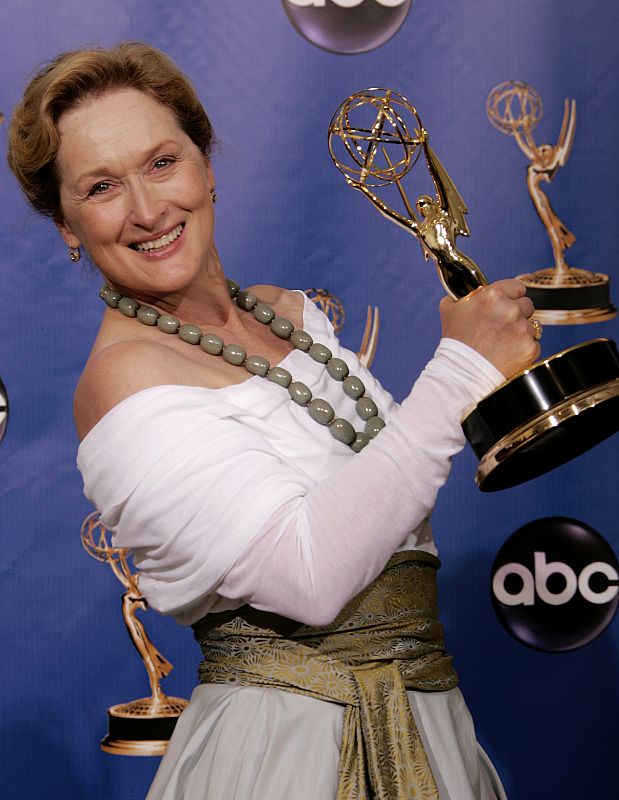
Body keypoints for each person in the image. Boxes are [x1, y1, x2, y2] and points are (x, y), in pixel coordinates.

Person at [8, 42, 539, 800]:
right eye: (100, 187)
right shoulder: (124, 382)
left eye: (162, 162)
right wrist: (458, 370)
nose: (148, 209)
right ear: (66, 225)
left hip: (426, 715)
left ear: (206, 163)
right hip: (289, 755)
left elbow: (384, 493)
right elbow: (310, 575)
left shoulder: (289, 315)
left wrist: (499, 381)